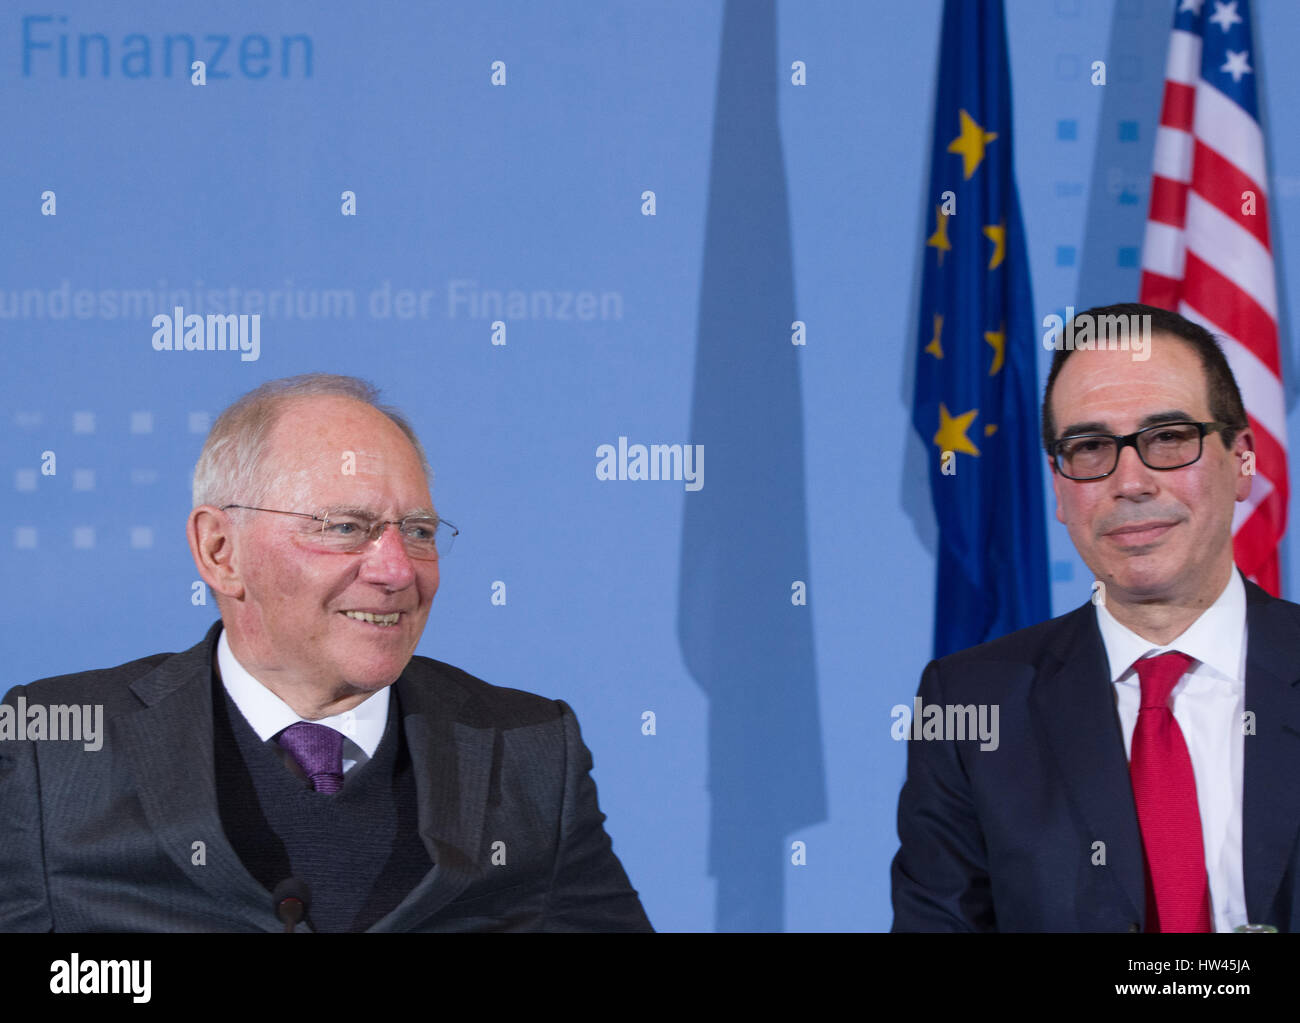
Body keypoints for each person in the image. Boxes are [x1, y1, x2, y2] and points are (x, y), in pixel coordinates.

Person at [0, 373, 652, 932]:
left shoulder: (530, 751)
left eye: (419, 531)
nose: (399, 569)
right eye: (345, 527)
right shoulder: (49, 752)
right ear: (221, 551)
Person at [891, 303, 1300, 932]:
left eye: (1168, 437)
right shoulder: (971, 706)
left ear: (1241, 459)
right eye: (1089, 448)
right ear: (1058, 489)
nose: (1130, 482)